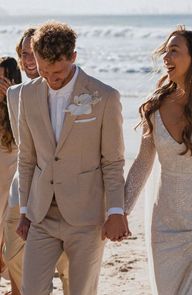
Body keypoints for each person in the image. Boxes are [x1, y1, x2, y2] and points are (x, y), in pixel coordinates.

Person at [16, 21, 128, 295]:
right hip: (41, 214)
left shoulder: (104, 96)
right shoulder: (28, 94)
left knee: (82, 291)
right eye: (43, 71)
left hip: (87, 217)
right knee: (31, 290)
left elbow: (112, 161)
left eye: (58, 72)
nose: (51, 80)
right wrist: (23, 211)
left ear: (74, 58)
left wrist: (116, 211)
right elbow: (27, 157)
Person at [124, 26, 192, 294]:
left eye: (174, 50)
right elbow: (142, 163)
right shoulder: (154, 106)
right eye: (166, 50)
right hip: (165, 223)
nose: (166, 56)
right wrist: (122, 211)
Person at [4, 28, 70, 294]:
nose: (30, 60)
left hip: (60, 189)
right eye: (24, 54)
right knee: (13, 251)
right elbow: (22, 145)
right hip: (24, 183)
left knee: (67, 266)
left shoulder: (66, 88)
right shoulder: (15, 93)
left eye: (34, 53)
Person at [0, 56, 21, 294]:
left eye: (3, 79)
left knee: (13, 248)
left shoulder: (20, 104)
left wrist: (11, 100)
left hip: (12, 186)